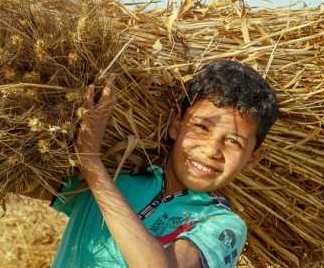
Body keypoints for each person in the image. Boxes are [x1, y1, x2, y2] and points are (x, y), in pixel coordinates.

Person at [25, 60, 279, 267]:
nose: (212, 149)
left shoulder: (222, 225)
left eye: (233, 141)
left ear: (252, 159)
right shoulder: (119, 180)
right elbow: (23, 176)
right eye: (202, 127)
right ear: (175, 125)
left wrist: (91, 163)